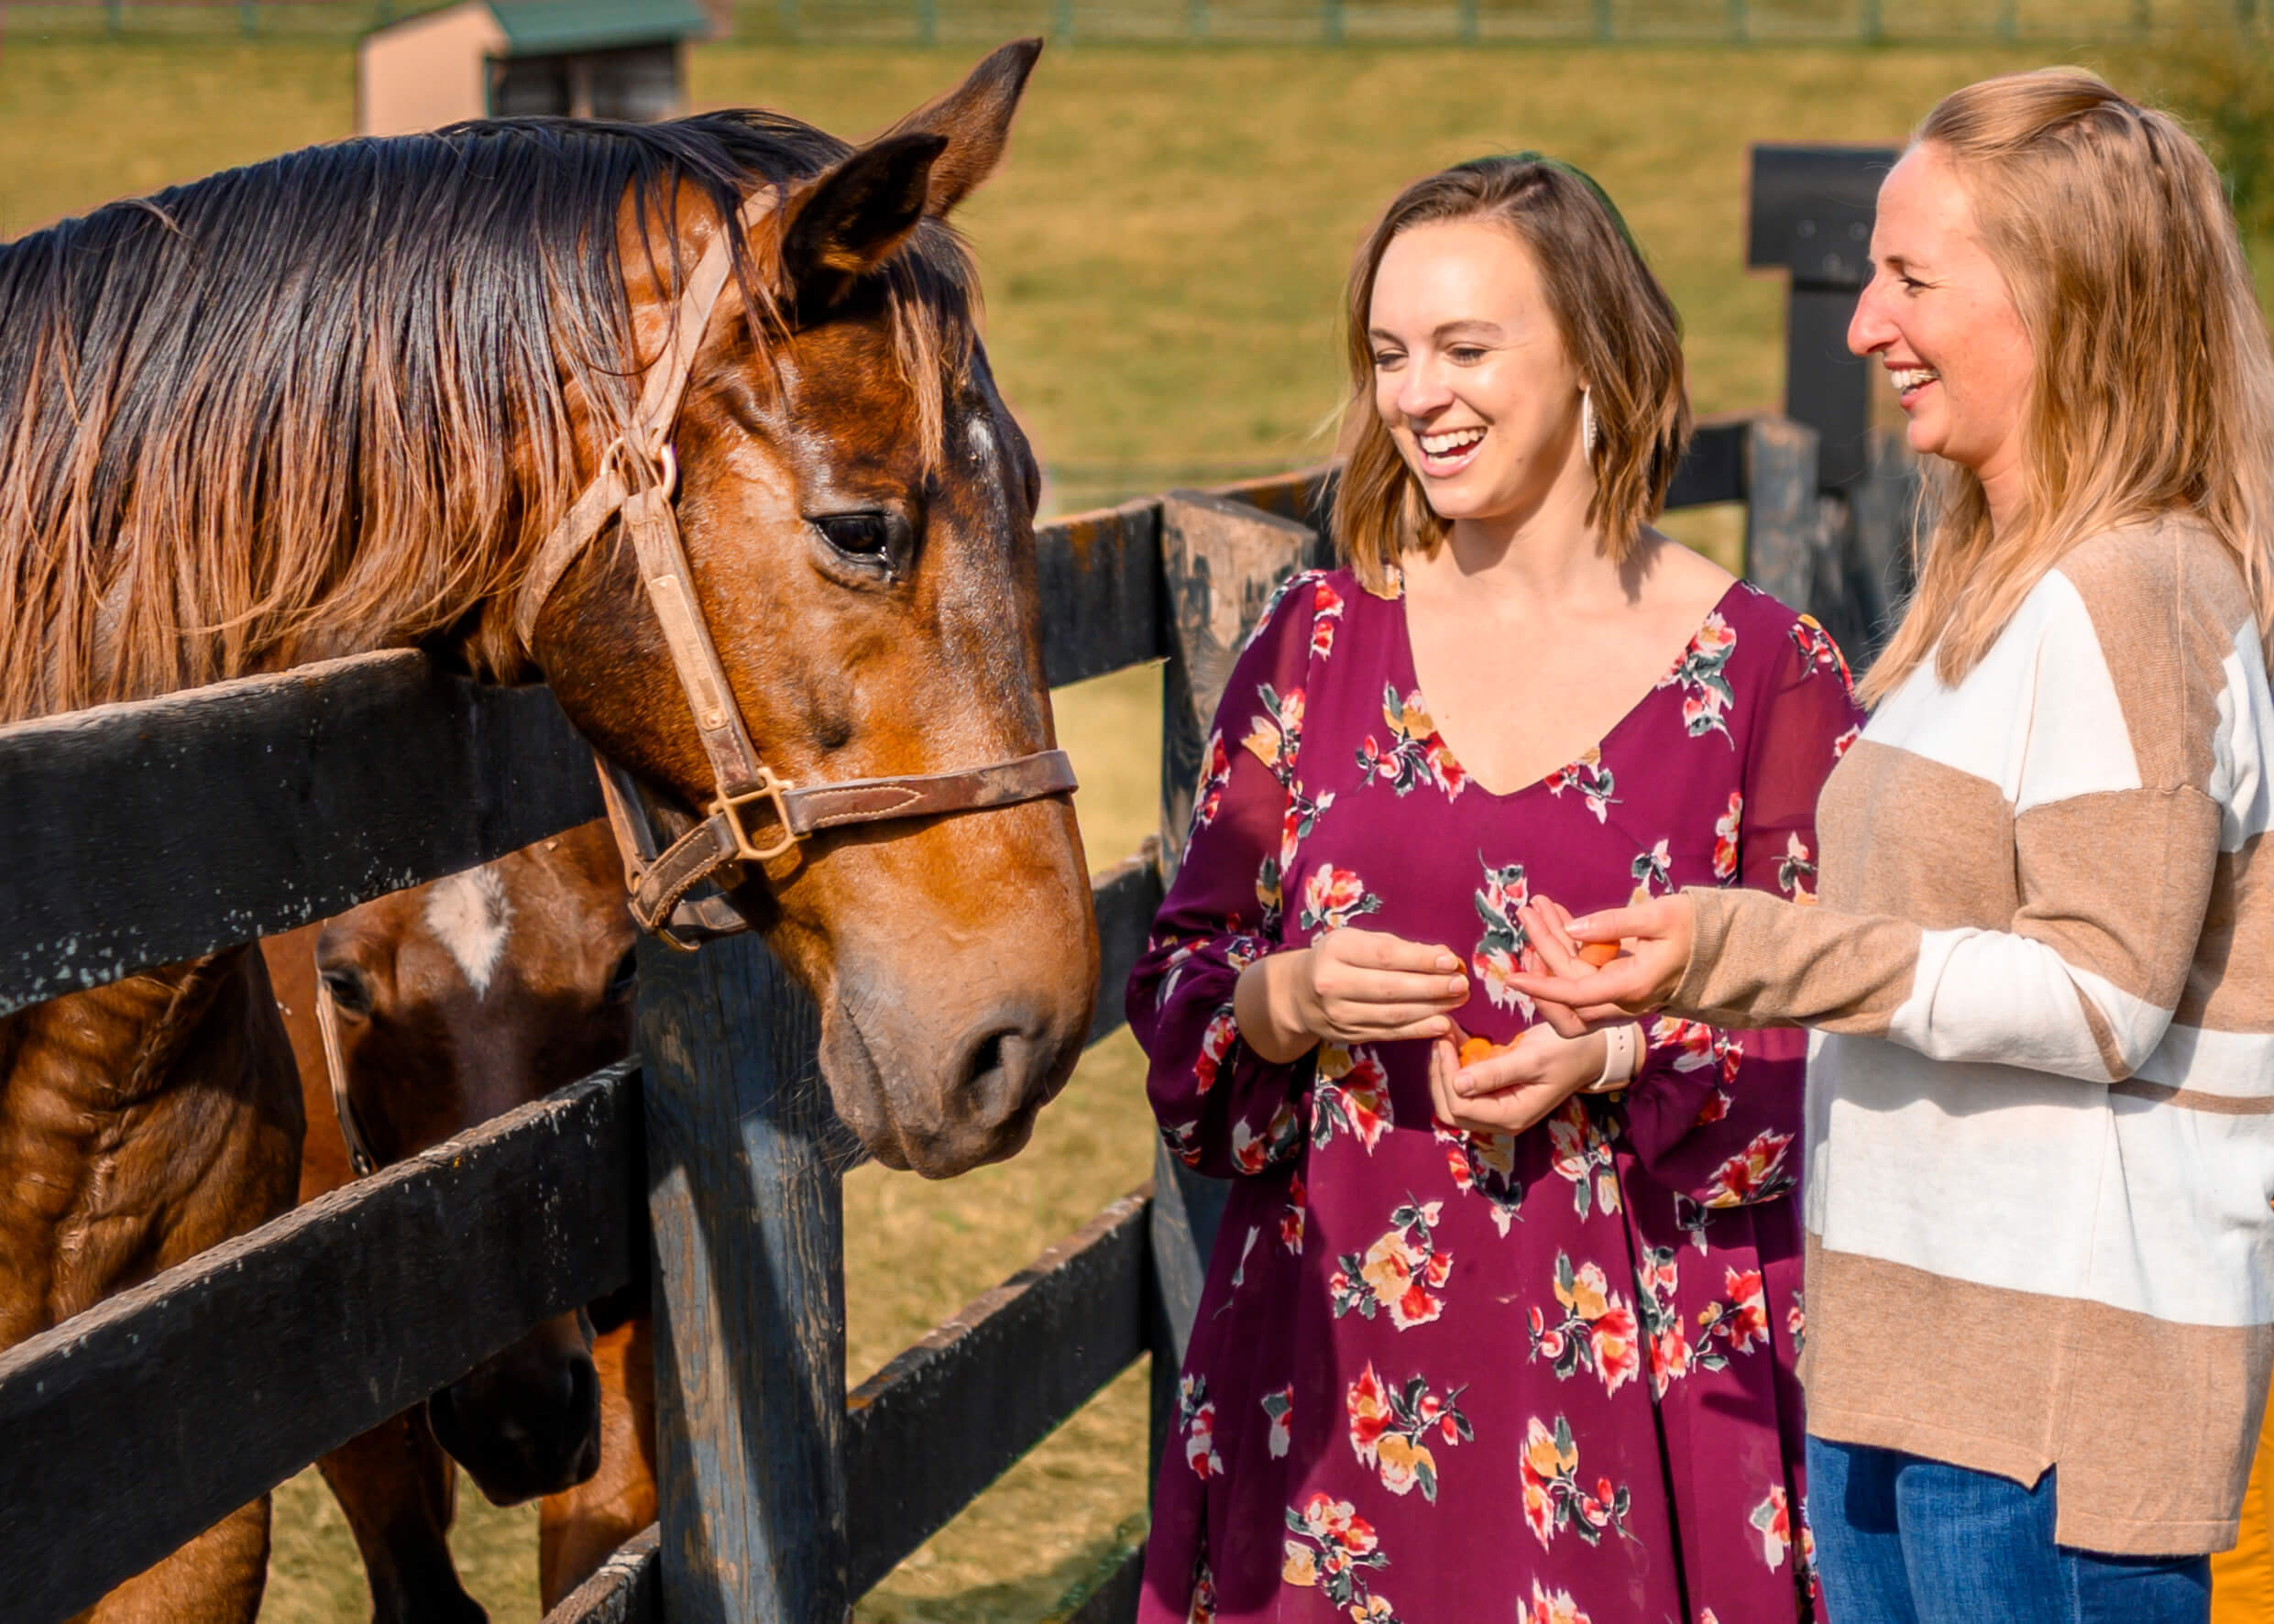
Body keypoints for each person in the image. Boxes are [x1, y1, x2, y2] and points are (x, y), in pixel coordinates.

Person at [1502, 71, 2274, 1624]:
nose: (1863, 324)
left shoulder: (2131, 589)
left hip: (2050, 1411)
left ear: (2072, 299)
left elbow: (2096, 998)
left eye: (1912, 277)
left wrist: (1740, 949)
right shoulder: (1992, 593)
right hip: (1913, 1377)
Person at [1126, 153, 1862, 1624]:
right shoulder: (1311, 644)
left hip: (1639, 1377)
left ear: (1593, 346)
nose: (1416, 395)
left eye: (1465, 348)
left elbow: (1830, 1033)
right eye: (1390, 356)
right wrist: (1274, 1001)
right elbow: (1180, 984)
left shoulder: (1768, 671)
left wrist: (1612, 1053)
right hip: (1327, 1372)